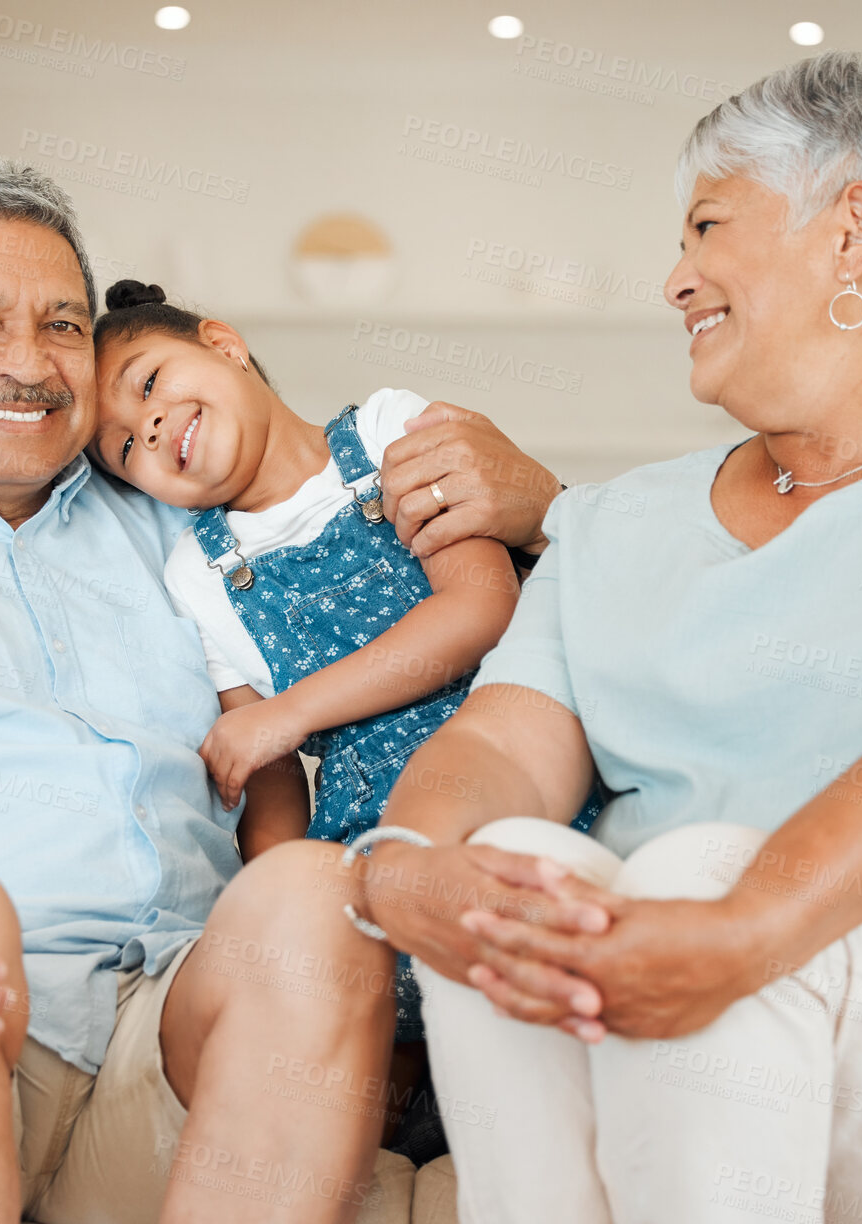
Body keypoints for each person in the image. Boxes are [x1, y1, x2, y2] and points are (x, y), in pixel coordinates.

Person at [348, 49, 862, 1224]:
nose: (673, 281)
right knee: (511, 881)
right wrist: (400, 867)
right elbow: (502, 753)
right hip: (657, 1018)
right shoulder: (619, 521)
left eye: (707, 228)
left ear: (849, 231)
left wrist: (734, 935)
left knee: (690, 870)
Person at [0, 155, 562, 1224]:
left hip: (172, 1036)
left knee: (313, 897)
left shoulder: (181, 525)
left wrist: (534, 503)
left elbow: (389, 549)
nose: (31, 364)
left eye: (60, 326)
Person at [86, 279, 598, 1052]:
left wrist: (286, 714)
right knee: (378, 997)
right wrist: (279, 905)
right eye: (125, 447)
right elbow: (270, 775)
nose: (149, 428)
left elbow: (479, 607)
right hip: (371, 834)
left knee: (544, 934)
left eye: (149, 383)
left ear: (223, 344)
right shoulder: (198, 575)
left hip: (521, 768)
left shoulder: (389, 427)